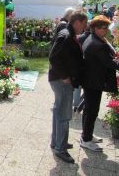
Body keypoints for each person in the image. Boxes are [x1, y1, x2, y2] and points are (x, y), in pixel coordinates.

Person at [48, 10, 88, 164]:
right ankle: (60, 148)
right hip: (61, 80)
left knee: (59, 111)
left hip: (60, 79)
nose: (84, 29)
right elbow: (54, 57)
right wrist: (65, 76)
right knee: (64, 115)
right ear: (77, 22)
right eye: (83, 25)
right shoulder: (66, 35)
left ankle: (56, 142)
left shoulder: (68, 33)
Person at [80, 15, 119, 152]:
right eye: (102, 28)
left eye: (106, 28)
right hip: (93, 81)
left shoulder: (94, 38)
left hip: (90, 80)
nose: (105, 30)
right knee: (92, 111)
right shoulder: (97, 44)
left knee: (89, 110)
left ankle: (87, 135)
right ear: (95, 28)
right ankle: (86, 139)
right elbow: (110, 63)